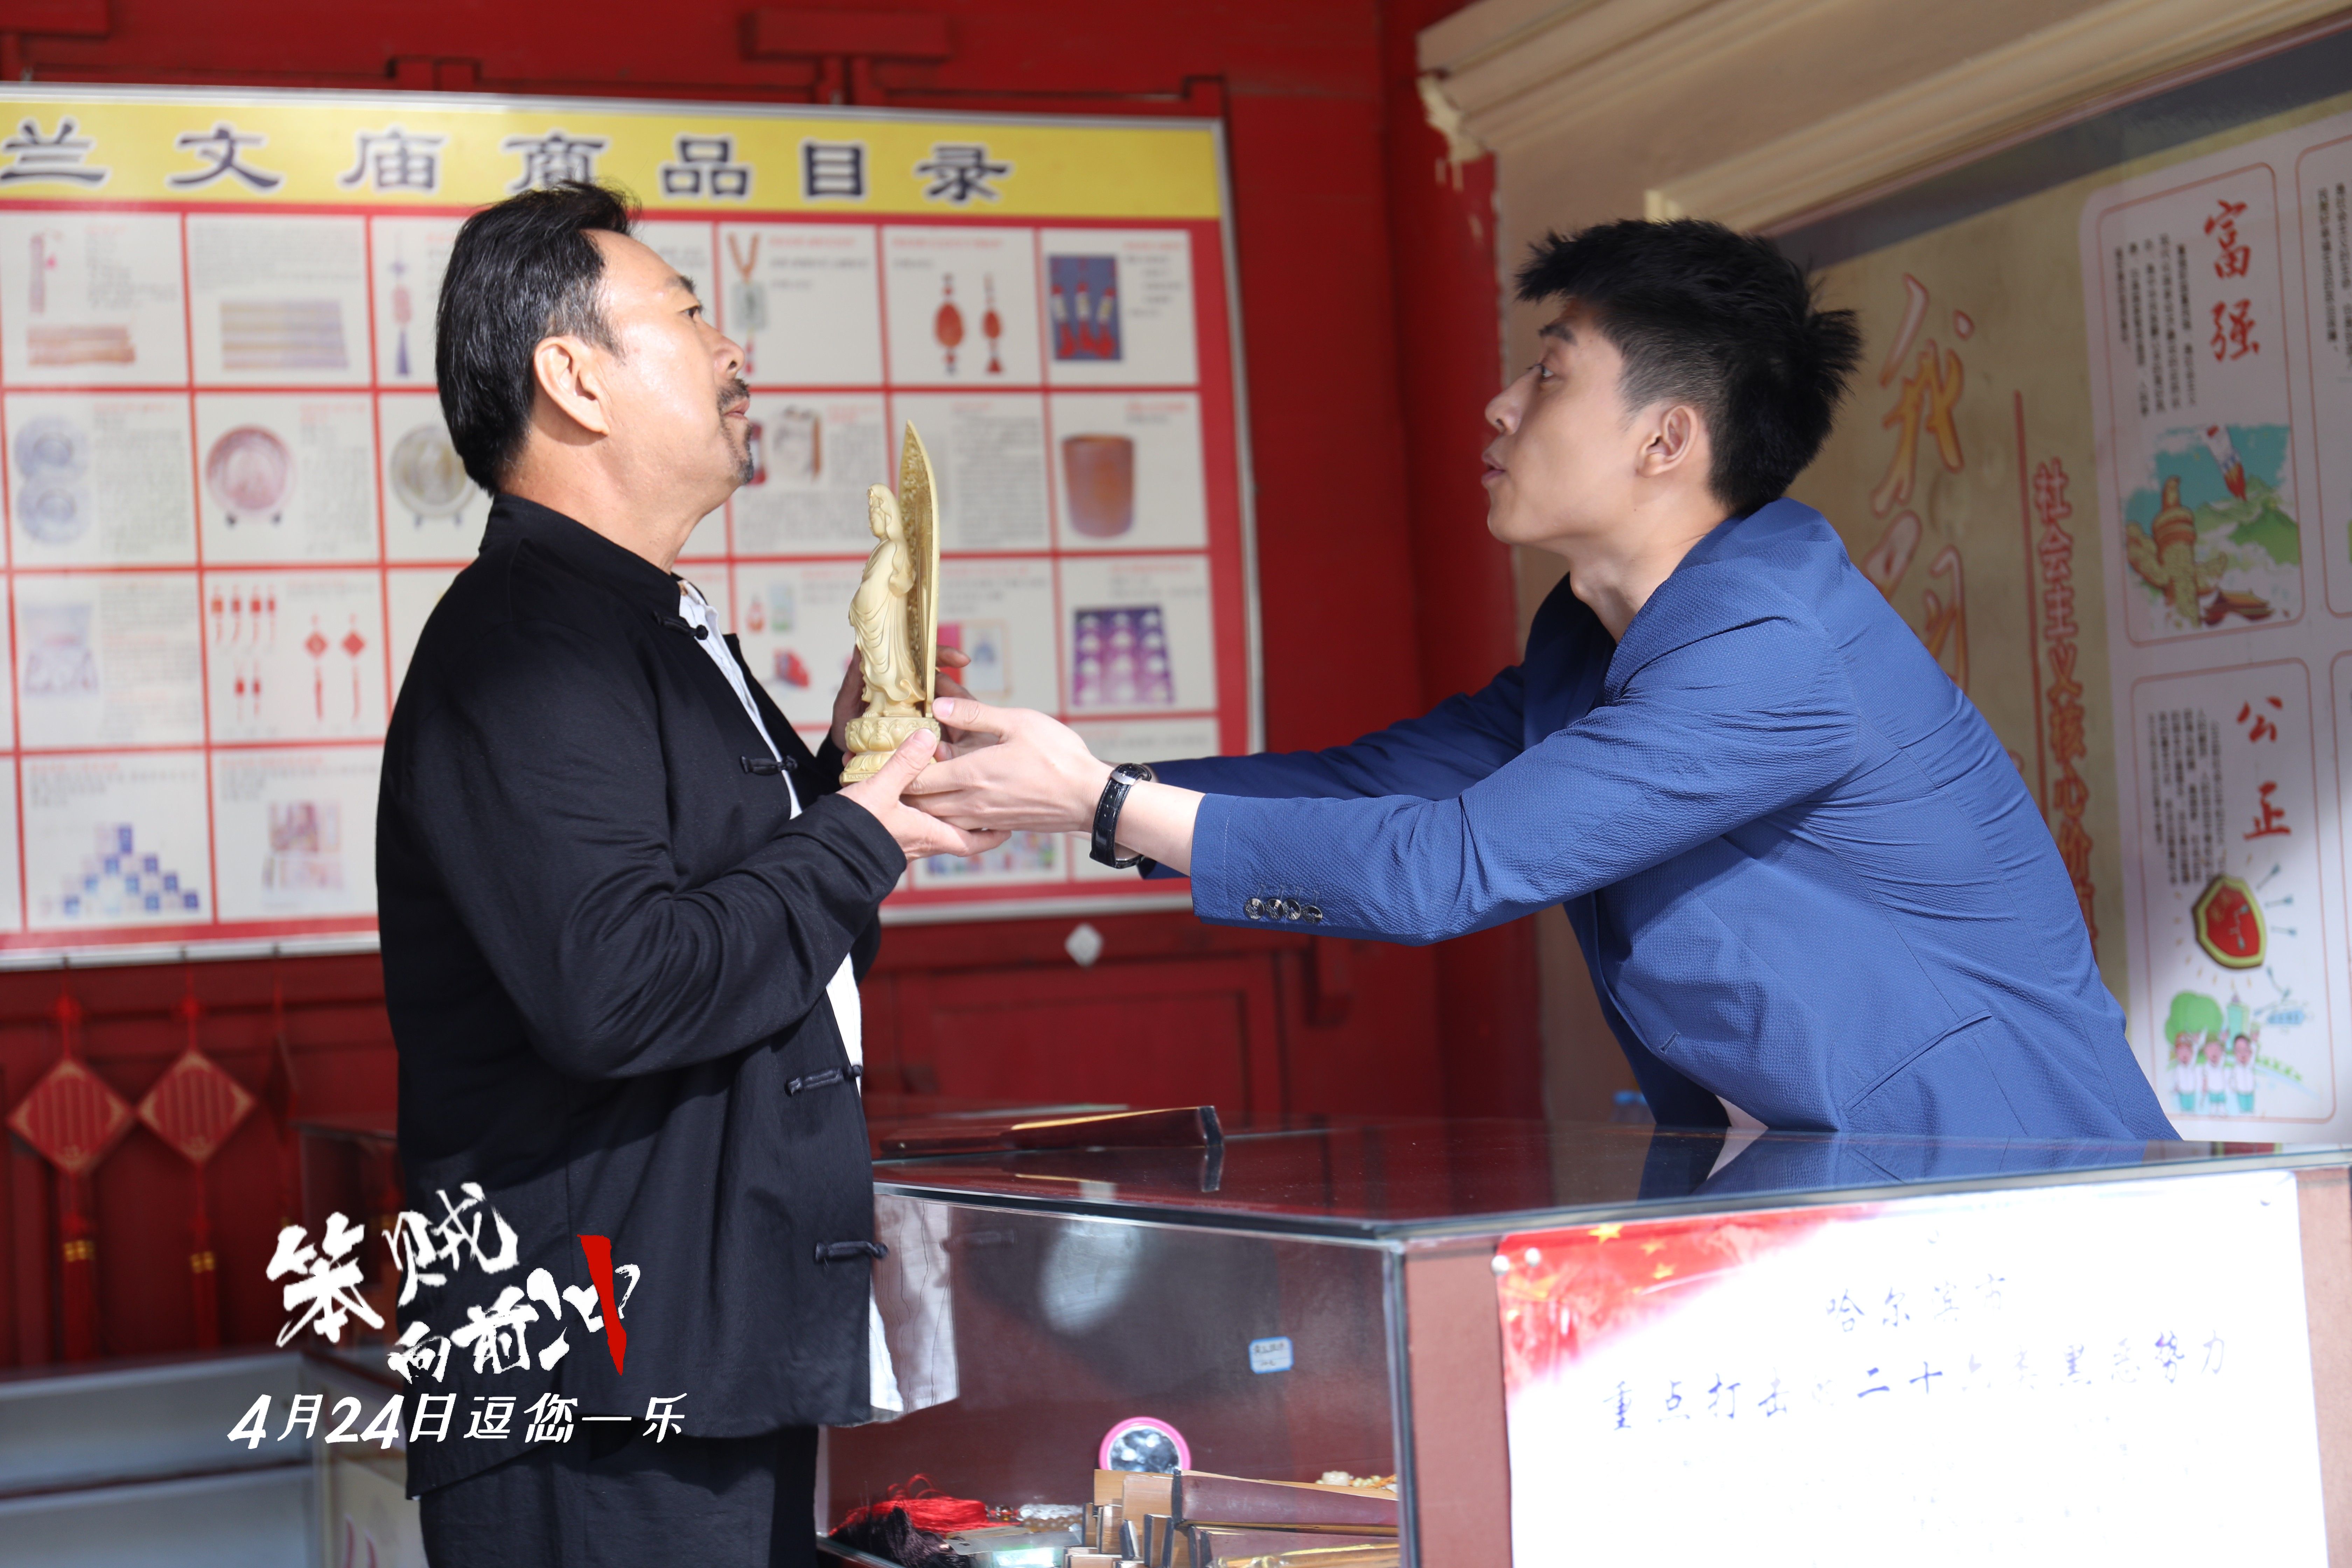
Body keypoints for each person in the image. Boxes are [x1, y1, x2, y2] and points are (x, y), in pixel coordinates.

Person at [908, 217, 2178, 1143]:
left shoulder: (1774, 647)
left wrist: (1097, 801)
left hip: (2016, 1181)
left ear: (1667, 439)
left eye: (1551, 373)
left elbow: (1445, 869)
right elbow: (1373, 787)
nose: (1500, 406)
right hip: (1842, 1182)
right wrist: (1043, 785)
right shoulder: (1596, 636)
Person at [376, 182, 997, 1568]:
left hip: (704, 1358)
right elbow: (621, 988)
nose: (733, 353)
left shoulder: (645, 622)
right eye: (689, 315)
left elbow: (770, 950)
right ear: (576, 377)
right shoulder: (522, 647)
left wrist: (856, 772)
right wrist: (859, 834)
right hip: (592, 1396)